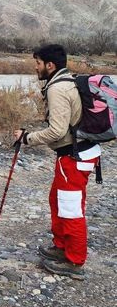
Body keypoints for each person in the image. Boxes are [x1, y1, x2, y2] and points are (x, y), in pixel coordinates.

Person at [14, 44, 101, 280]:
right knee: (57, 200)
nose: (35, 67)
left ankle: (75, 261)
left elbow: (57, 131)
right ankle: (61, 246)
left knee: (71, 210)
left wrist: (27, 138)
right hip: (76, 154)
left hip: (74, 157)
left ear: (49, 65)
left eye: (38, 62)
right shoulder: (65, 82)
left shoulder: (57, 89)